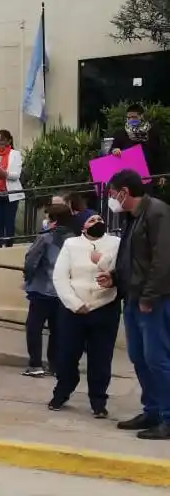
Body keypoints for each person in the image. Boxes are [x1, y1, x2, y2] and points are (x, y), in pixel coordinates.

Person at [98, 169, 170, 439]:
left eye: (112, 192)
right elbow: (133, 259)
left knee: (157, 359)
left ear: (124, 192)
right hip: (132, 298)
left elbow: (163, 261)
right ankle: (152, 410)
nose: (111, 198)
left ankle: (167, 416)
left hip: (154, 301)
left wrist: (149, 297)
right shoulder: (132, 217)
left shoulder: (157, 214)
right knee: (139, 358)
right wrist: (115, 277)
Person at [49, 214, 121, 417]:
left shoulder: (116, 243)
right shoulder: (71, 244)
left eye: (99, 218)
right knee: (67, 355)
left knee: (101, 358)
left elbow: (120, 271)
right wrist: (74, 303)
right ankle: (62, 391)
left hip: (105, 307)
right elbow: (60, 276)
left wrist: (102, 261)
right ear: (83, 227)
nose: (97, 222)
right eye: (91, 220)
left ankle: (98, 402)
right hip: (74, 310)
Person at [22, 204, 80, 377]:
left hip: (42, 289)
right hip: (63, 291)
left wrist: (28, 278)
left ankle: (36, 365)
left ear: (53, 220)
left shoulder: (45, 238)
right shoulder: (75, 238)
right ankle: (54, 365)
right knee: (57, 329)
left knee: (34, 327)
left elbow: (31, 261)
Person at [110, 103, 164, 184]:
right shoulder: (121, 133)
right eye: (128, 118)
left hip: (148, 177)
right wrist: (115, 150)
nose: (131, 120)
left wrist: (161, 175)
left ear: (141, 116)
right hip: (127, 179)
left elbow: (159, 154)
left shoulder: (152, 132)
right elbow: (112, 150)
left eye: (134, 117)